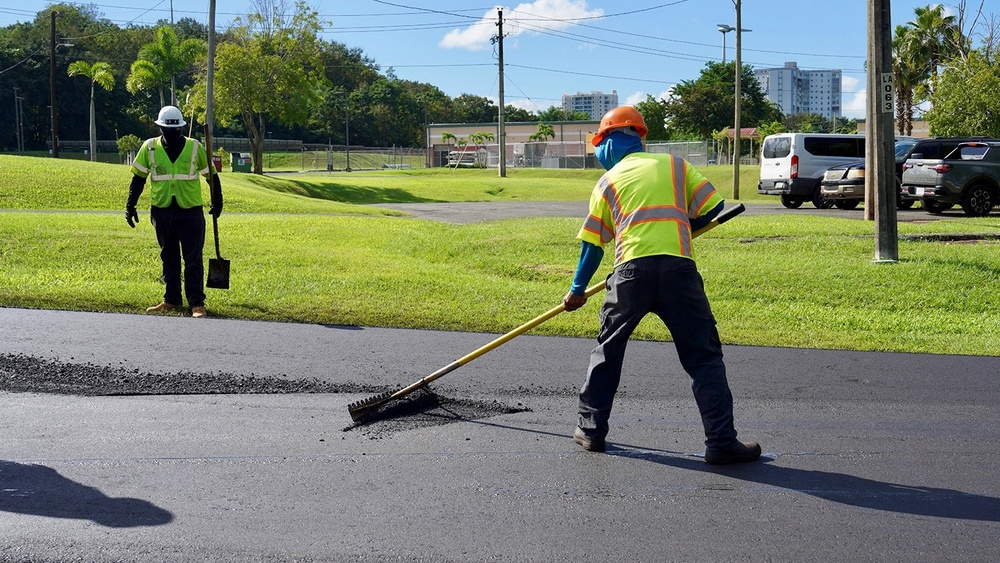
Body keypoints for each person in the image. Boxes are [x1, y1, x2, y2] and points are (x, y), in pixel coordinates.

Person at [562, 106, 760, 464]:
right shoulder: (675, 166)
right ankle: (721, 441)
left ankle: (590, 431)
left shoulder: (607, 182)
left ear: (607, 141)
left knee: (608, 351)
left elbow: (592, 245)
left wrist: (577, 290)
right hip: (680, 272)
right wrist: (683, 223)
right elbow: (713, 208)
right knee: (703, 357)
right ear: (639, 137)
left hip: (629, 274)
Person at [125, 105, 222, 319]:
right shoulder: (149, 147)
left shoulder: (195, 147)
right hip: (162, 211)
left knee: (193, 258)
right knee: (168, 256)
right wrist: (130, 205)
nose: (170, 134)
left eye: (174, 130)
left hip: (190, 212)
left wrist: (218, 201)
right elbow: (138, 179)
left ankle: (196, 303)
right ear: (160, 128)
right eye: (167, 130)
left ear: (180, 129)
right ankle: (171, 299)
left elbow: (212, 176)